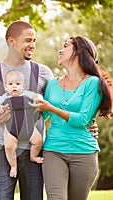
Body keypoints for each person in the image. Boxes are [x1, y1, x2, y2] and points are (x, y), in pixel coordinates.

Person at [0, 20, 100, 200]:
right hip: (3, 147)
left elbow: (57, 106)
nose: (32, 45)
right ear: (11, 41)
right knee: (2, 196)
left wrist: (88, 123)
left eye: (34, 40)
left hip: (34, 147)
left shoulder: (43, 73)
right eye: (28, 40)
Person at [34, 36, 113, 200]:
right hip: (53, 150)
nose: (60, 50)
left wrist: (50, 107)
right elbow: (42, 116)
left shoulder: (93, 83)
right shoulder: (53, 85)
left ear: (79, 51)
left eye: (66, 46)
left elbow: (82, 119)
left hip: (84, 153)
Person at [0, 70, 43, 178]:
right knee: (9, 147)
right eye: (10, 84)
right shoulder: (4, 97)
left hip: (29, 128)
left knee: (38, 141)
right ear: (6, 86)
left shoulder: (27, 94)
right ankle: (13, 166)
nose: (14, 86)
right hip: (12, 129)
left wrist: (38, 100)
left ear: (23, 86)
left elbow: (37, 96)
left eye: (18, 84)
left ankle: (33, 156)